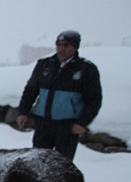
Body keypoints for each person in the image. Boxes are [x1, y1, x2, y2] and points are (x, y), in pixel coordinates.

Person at [16, 30, 102, 160]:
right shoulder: (44, 65)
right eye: (59, 44)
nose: (61, 49)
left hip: (67, 126)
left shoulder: (86, 69)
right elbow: (30, 90)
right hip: (43, 123)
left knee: (62, 165)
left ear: (75, 47)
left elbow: (94, 100)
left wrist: (82, 122)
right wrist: (23, 111)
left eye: (66, 45)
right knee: (38, 162)